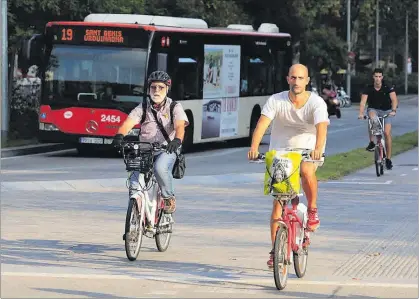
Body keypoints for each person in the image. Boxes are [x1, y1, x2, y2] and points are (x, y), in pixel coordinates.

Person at [247, 63, 329, 268]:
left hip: (308, 149)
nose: (297, 82)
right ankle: (275, 250)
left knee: (306, 170)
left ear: (307, 81)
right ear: (287, 79)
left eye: (301, 78)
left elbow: (322, 127)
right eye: (293, 78)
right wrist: (254, 147)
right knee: (278, 204)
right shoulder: (277, 100)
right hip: (282, 152)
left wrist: (318, 148)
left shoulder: (316, 103)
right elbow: (262, 124)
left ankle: (312, 209)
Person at [112, 71, 189, 214]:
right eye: (153, 87)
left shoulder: (174, 107)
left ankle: (168, 197)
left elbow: (180, 126)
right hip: (145, 149)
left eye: (161, 87)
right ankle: (136, 202)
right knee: (133, 169)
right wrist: (119, 135)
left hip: (168, 149)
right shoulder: (142, 107)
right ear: (148, 89)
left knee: (160, 168)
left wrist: (177, 140)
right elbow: (128, 123)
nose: (157, 91)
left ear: (167, 89)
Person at [358, 68, 398, 170]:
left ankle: (388, 159)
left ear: (382, 77)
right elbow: (363, 102)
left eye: (380, 76)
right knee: (371, 116)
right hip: (374, 109)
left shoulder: (387, 86)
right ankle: (372, 142)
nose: (378, 79)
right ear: (373, 77)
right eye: (376, 76)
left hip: (387, 111)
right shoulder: (369, 88)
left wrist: (393, 110)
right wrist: (361, 113)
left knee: (387, 133)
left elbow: (394, 99)